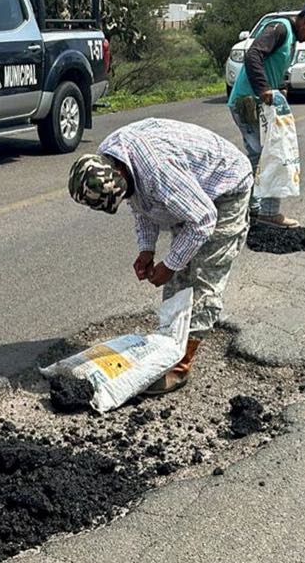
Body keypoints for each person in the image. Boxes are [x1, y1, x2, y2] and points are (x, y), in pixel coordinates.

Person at [67, 118, 253, 395]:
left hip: (225, 188)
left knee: (202, 274)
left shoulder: (158, 172)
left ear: (119, 171)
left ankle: (180, 366)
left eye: (124, 192)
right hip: (191, 190)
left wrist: (170, 264)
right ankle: (171, 344)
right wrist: (147, 249)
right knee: (178, 276)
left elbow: (202, 219)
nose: (126, 197)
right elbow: (140, 202)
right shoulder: (111, 157)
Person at [227, 2, 305, 229]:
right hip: (247, 101)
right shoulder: (280, 28)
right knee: (267, 154)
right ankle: (261, 211)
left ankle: (252, 209)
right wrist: (264, 89)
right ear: (304, 20)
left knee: (262, 155)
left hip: (260, 103)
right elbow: (253, 55)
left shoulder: (292, 38)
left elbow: (275, 65)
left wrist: (281, 86)